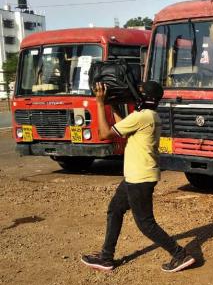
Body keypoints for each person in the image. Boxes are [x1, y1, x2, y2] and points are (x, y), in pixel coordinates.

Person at [81, 81, 195, 272]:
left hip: (139, 177)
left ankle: (179, 254)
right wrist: (114, 105)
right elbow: (123, 127)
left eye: (139, 93)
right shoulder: (149, 115)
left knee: (145, 223)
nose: (135, 95)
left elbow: (104, 134)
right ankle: (106, 257)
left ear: (145, 98)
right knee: (115, 210)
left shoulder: (143, 117)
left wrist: (100, 103)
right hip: (135, 175)